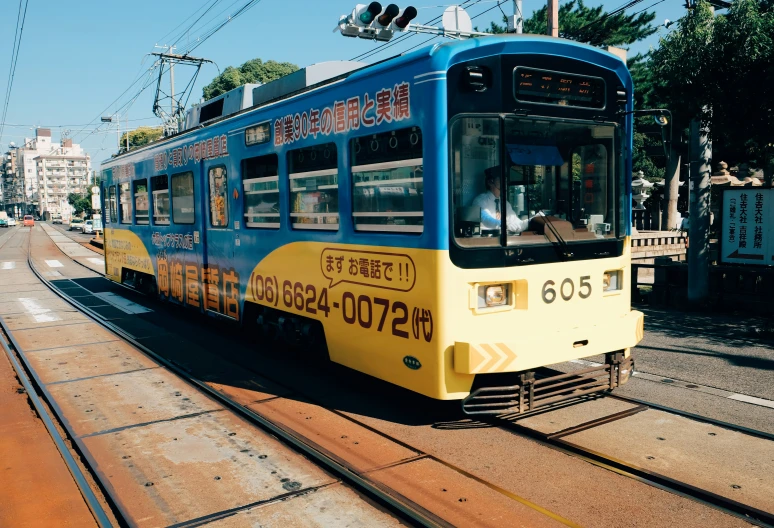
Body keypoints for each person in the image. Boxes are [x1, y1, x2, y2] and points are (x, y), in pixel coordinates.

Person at [472, 166, 529, 234]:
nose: (504, 183)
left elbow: (516, 223)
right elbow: (486, 219)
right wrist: (504, 224)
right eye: (501, 179)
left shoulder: (505, 203)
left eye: (505, 179)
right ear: (490, 182)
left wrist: (531, 221)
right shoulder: (480, 201)